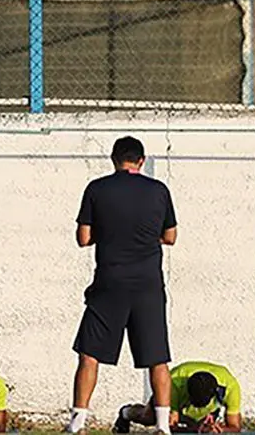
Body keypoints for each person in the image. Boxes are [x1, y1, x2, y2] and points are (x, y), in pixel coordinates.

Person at [67, 136, 178, 435]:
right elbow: (170, 237)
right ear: (141, 161)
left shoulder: (97, 188)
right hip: (148, 286)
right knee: (157, 357)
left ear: (114, 160)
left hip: (109, 283)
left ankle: (78, 421)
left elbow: (83, 238)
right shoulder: (159, 191)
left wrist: (111, 233)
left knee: (89, 354)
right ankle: (163, 426)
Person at [113, 361, 242, 433]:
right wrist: (196, 429)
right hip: (177, 403)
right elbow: (169, 426)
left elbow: (235, 426)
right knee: (149, 418)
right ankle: (126, 412)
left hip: (202, 414)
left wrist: (220, 430)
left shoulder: (231, 386)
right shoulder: (174, 384)